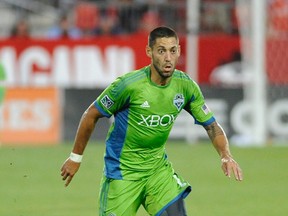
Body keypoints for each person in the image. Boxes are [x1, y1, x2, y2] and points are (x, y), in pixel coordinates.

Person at [61, 26, 243, 215]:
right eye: (161, 50)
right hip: (122, 174)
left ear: (179, 51)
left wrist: (225, 155)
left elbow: (211, 125)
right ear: (149, 52)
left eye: (173, 51)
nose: (168, 58)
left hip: (157, 172)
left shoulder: (186, 86)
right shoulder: (128, 85)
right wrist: (75, 157)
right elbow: (91, 115)